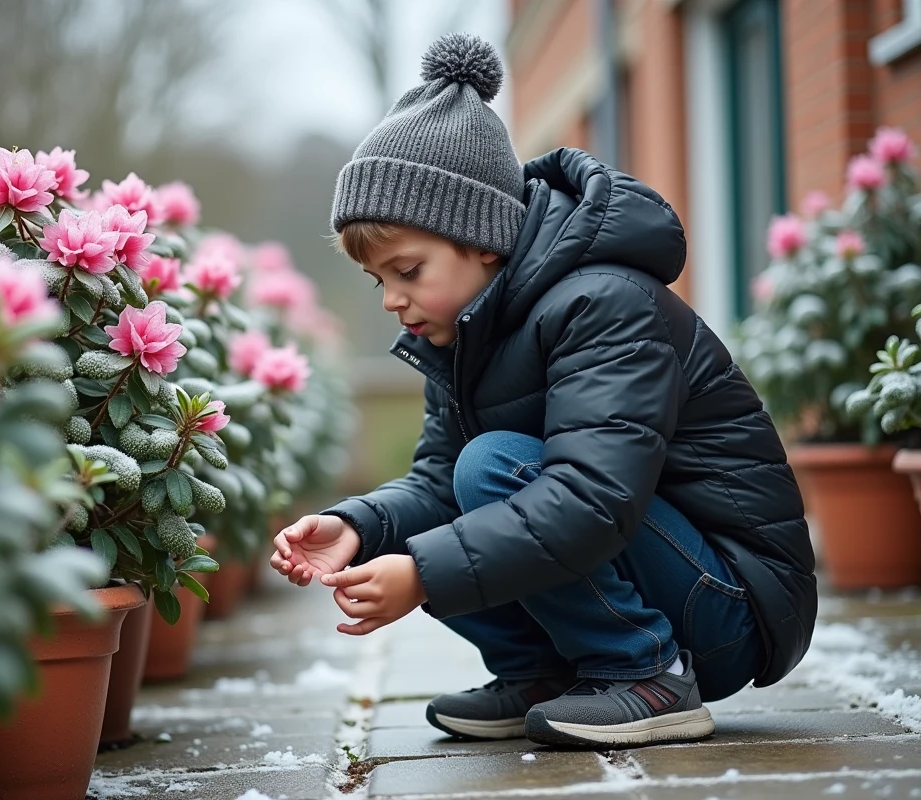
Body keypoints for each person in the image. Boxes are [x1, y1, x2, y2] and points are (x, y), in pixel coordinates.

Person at [268, 33, 816, 749]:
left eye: (408, 270)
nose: (391, 300)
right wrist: (361, 527)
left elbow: (594, 498)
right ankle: (544, 674)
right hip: (656, 577)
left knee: (492, 467)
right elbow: (437, 484)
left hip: (729, 605)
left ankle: (647, 676)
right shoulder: (463, 334)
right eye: (381, 281)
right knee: (447, 496)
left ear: (482, 237)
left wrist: (425, 575)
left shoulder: (604, 304)